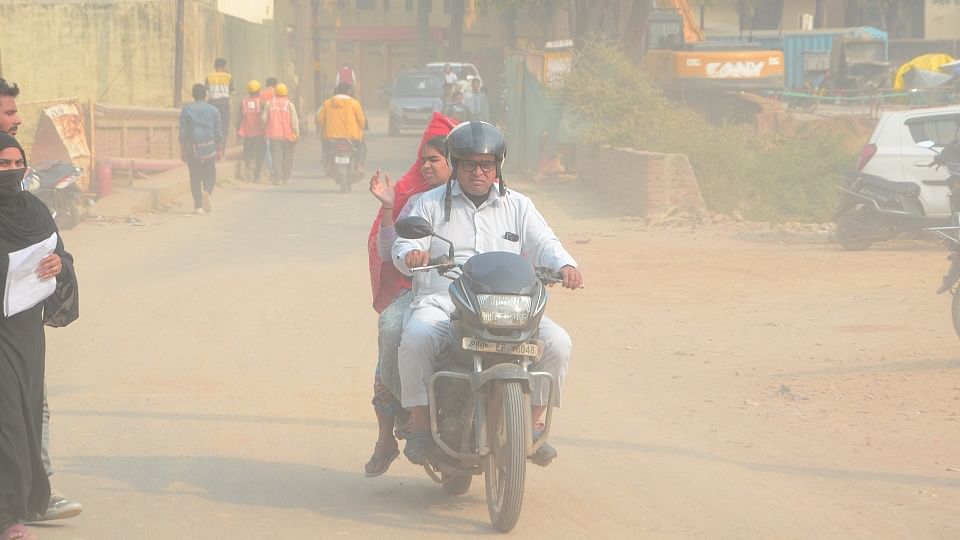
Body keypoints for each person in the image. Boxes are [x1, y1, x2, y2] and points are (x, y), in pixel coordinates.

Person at [391, 121, 584, 467]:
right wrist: (412, 254)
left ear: (498, 166)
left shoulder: (519, 205)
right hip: (445, 300)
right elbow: (406, 242)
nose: (479, 172)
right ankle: (419, 423)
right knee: (416, 337)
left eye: (487, 164)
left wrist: (565, 265)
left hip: (507, 303)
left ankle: (533, 424)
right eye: (469, 164)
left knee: (558, 342)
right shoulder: (429, 204)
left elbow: (544, 242)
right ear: (456, 164)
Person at [0, 79, 82, 527]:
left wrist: (56, 265)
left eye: (18, 162)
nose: (16, 119)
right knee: (10, 418)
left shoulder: (31, 207)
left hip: (24, 332)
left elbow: (60, 253)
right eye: (9, 113)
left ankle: (35, 490)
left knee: (30, 411)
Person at [363, 113, 458, 477]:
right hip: (416, 287)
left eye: (435, 159)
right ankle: (389, 434)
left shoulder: (490, 195)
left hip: (471, 291)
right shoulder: (413, 195)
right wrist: (389, 206)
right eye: (423, 159)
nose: (426, 166)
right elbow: (391, 252)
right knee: (391, 329)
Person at [179, 83, 222, 213]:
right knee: (210, 173)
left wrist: (183, 150)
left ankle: (198, 206)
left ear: (193, 95)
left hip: (193, 146)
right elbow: (218, 132)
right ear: (206, 95)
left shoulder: (187, 110)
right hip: (210, 145)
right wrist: (219, 149)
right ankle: (207, 191)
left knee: (195, 175)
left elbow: (183, 132)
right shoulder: (214, 110)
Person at [316, 83, 367, 171]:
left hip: (331, 136)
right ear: (349, 92)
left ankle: (328, 162)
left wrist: (324, 127)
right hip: (352, 137)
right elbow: (361, 121)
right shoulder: (355, 103)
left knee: (326, 146)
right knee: (362, 147)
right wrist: (362, 128)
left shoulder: (327, 103)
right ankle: (358, 165)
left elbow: (320, 119)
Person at [261, 82, 299, 184]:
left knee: (276, 157)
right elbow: (294, 121)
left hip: (274, 135)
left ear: (275, 93)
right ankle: (286, 177)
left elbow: (264, 119)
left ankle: (277, 178)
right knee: (287, 157)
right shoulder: (290, 105)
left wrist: (263, 128)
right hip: (288, 135)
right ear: (286, 93)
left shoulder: (269, 104)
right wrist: (296, 133)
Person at [236, 80, 265, 183]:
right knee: (260, 154)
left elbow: (240, 118)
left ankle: (248, 172)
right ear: (258, 90)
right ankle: (257, 175)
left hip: (247, 133)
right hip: (260, 133)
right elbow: (265, 118)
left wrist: (238, 131)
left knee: (248, 153)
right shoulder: (261, 102)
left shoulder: (243, 102)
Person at [205, 58, 234, 153]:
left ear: (214, 66)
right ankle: (221, 152)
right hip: (224, 104)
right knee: (224, 129)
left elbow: (206, 91)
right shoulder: (228, 77)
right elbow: (232, 91)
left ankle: (213, 151)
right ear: (224, 66)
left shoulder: (208, 77)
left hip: (212, 104)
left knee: (212, 128)